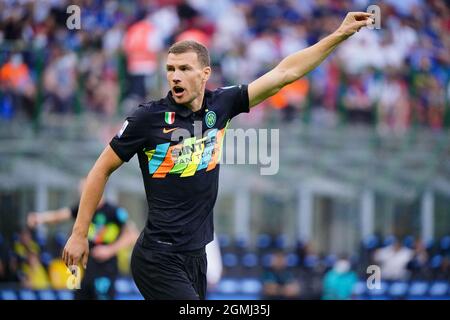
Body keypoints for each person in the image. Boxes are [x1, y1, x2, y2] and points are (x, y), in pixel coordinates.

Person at [62, 12, 374, 300]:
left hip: (197, 257)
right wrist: (79, 234)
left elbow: (285, 72)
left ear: (205, 73)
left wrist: (339, 34)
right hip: (157, 259)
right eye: (170, 69)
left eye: (184, 69)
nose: (175, 76)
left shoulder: (221, 105)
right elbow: (100, 170)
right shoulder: (148, 119)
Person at [27, 179, 139, 300]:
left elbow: (133, 235)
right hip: (85, 271)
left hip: (105, 272)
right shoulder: (83, 210)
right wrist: (40, 218)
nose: (83, 196)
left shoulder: (114, 212)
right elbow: (60, 215)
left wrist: (109, 250)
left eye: (85, 192)